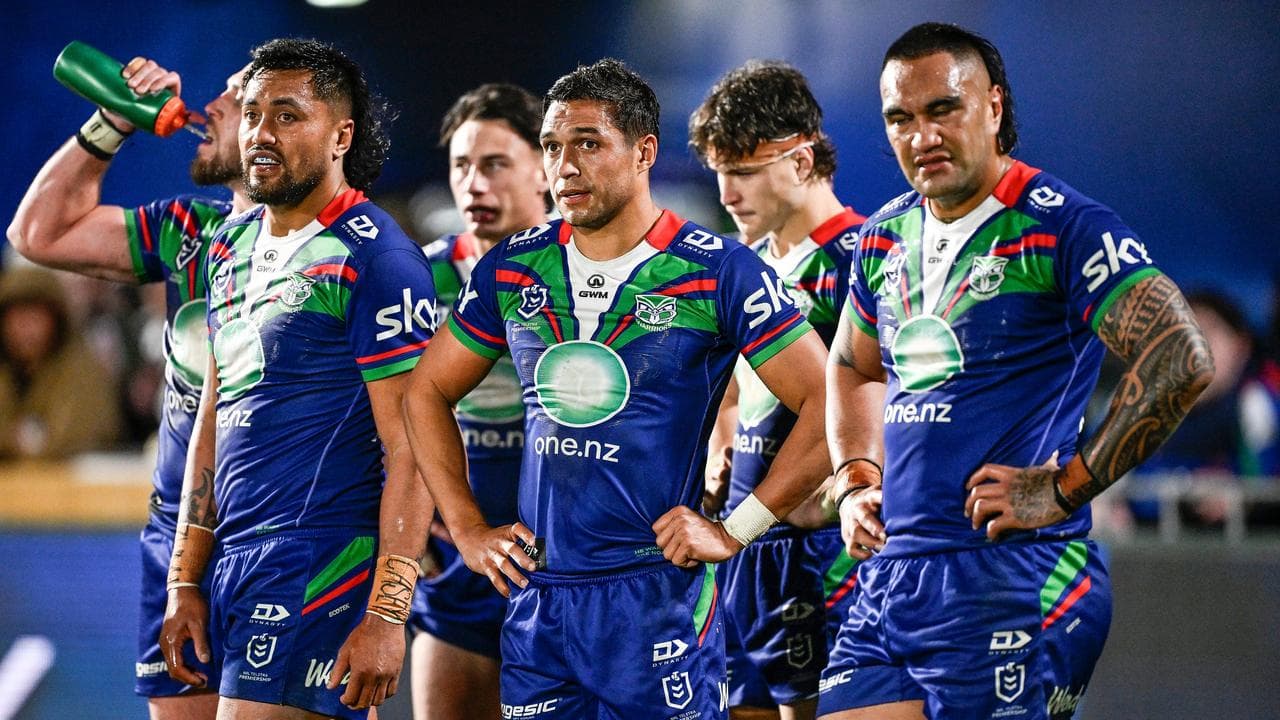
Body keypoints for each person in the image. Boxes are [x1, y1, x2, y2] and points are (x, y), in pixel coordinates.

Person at [403, 58, 830, 718]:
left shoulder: (718, 270)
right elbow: (425, 392)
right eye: (552, 147)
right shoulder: (513, 267)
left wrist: (736, 529)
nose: (565, 167)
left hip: (657, 601)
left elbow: (827, 402)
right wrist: (466, 528)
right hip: (539, 604)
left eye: (588, 144)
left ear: (644, 152)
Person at [817, 22, 1213, 720]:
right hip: (889, 578)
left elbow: (1181, 357)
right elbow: (851, 365)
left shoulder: (1064, 227)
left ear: (994, 107)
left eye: (944, 109)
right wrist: (855, 480)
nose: (921, 136)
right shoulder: (882, 237)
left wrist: (1065, 487)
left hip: (1015, 577)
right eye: (900, 119)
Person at [158, 38, 436, 719]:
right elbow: (213, 416)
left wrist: (388, 614)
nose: (260, 132)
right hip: (236, 562)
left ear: (341, 136)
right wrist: (183, 579)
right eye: (252, 113)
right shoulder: (230, 246)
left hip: (320, 561)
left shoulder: (378, 259)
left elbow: (415, 448)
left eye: (287, 115)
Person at [7, 54, 251, 719]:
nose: (213, 104)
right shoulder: (191, 229)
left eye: (237, 96)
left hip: (287, 538)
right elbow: (37, 234)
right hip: (177, 535)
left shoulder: (351, 251)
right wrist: (112, 121)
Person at [688, 60, 865, 720]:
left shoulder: (864, 257)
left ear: (802, 159)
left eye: (743, 171)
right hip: (742, 544)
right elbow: (734, 392)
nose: (726, 192)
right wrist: (720, 444)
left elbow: (895, 399)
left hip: (823, 553)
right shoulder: (748, 266)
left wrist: (844, 484)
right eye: (719, 172)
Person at [408, 83, 548, 720]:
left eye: (495, 164)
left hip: (568, 566)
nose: (474, 184)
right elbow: (374, 410)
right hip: (459, 568)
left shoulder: (593, 272)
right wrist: (405, 526)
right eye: (461, 165)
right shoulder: (418, 278)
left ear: (543, 168)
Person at [0, 265, 123, 458]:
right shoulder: (6, 372)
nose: (26, 329)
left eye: (35, 317)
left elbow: (69, 437)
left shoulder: (80, 370)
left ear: (56, 320)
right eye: (17, 318)